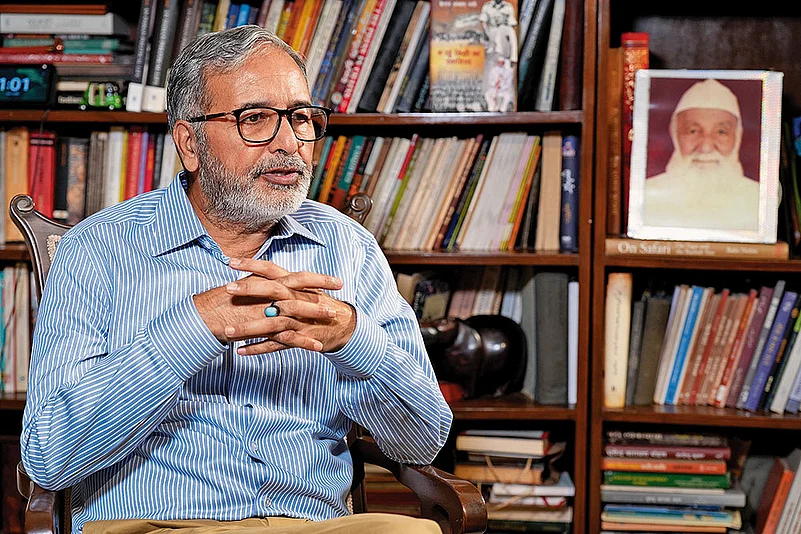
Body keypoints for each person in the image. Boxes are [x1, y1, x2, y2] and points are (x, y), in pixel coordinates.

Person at [20, 26, 451, 534]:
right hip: (158, 525)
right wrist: (194, 328)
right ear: (190, 143)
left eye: (301, 118)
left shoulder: (348, 248)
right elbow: (49, 457)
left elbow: (422, 442)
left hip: (313, 525)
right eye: (257, 119)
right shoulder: (97, 250)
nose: (290, 143)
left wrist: (355, 338)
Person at [643, 78, 760, 232]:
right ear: (675, 134)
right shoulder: (645, 195)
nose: (706, 147)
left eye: (721, 132)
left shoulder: (758, 199)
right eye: (693, 131)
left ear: (737, 137)